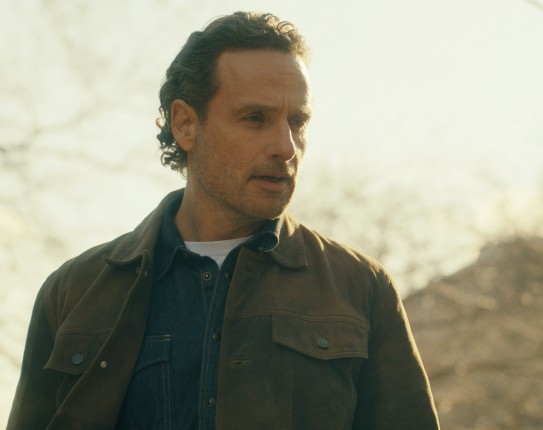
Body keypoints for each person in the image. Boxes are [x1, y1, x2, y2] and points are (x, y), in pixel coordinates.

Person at [8, 11, 440, 430]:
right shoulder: (75, 292)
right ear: (185, 125)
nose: (286, 146)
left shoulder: (361, 288)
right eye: (255, 119)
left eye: (297, 122)